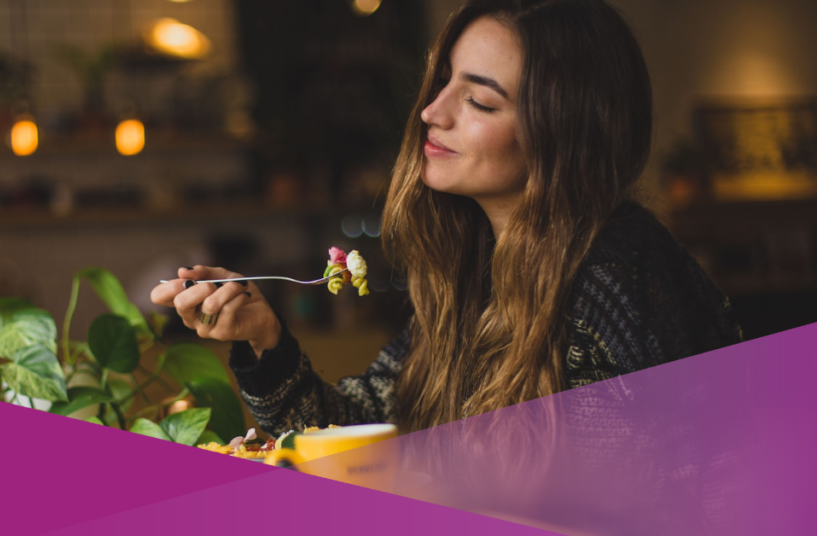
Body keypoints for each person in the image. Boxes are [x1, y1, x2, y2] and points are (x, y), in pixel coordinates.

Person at [150, 0, 741, 438]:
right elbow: (366, 428)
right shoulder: (476, 268)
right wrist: (264, 337)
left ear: (565, 133)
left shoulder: (612, 282)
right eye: (443, 83)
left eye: (480, 101)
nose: (432, 111)